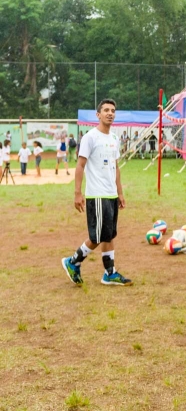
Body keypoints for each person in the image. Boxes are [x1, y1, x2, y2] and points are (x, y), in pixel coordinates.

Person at [61, 99, 132, 287]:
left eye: (113, 110)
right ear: (98, 115)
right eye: (106, 110)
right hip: (97, 195)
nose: (110, 113)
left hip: (111, 195)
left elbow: (116, 168)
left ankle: (110, 273)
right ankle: (73, 261)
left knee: (109, 234)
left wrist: (120, 193)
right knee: (98, 237)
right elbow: (80, 165)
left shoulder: (114, 138)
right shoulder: (90, 137)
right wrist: (77, 193)